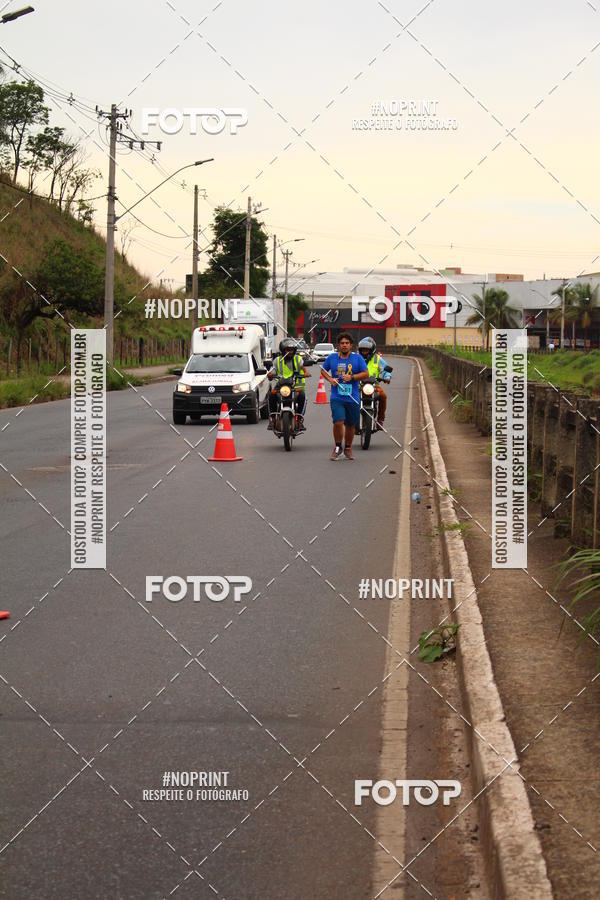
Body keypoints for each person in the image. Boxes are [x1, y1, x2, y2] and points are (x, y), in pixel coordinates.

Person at [321, 332, 369, 460]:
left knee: (350, 425)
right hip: (337, 396)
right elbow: (323, 370)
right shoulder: (332, 358)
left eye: (347, 343)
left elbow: (366, 373)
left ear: (351, 345)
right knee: (338, 421)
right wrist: (330, 380)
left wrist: (352, 377)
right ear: (338, 345)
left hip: (352, 396)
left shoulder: (357, 358)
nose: (344, 345)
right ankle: (337, 447)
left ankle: (347, 448)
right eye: (342, 343)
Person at [267, 338, 311, 430]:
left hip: (296, 385)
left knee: (302, 396)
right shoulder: (277, 360)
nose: (290, 352)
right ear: (283, 351)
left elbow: (304, 368)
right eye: (287, 350)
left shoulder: (298, 359)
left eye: (291, 350)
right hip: (281, 385)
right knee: (271, 395)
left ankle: (299, 420)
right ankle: (273, 419)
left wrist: (306, 373)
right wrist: (270, 374)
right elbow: (273, 370)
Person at [357, 336, 391, 430]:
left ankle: (380, 420)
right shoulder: (356, 358)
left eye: (366, 350)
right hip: (358, 385)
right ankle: (350, 420)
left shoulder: (378, 359)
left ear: (371, 350)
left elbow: (385, 370)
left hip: (374, 385)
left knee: (383, 396)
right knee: (349, 398)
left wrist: (387, 377)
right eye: (362, 350)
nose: (364, 352)